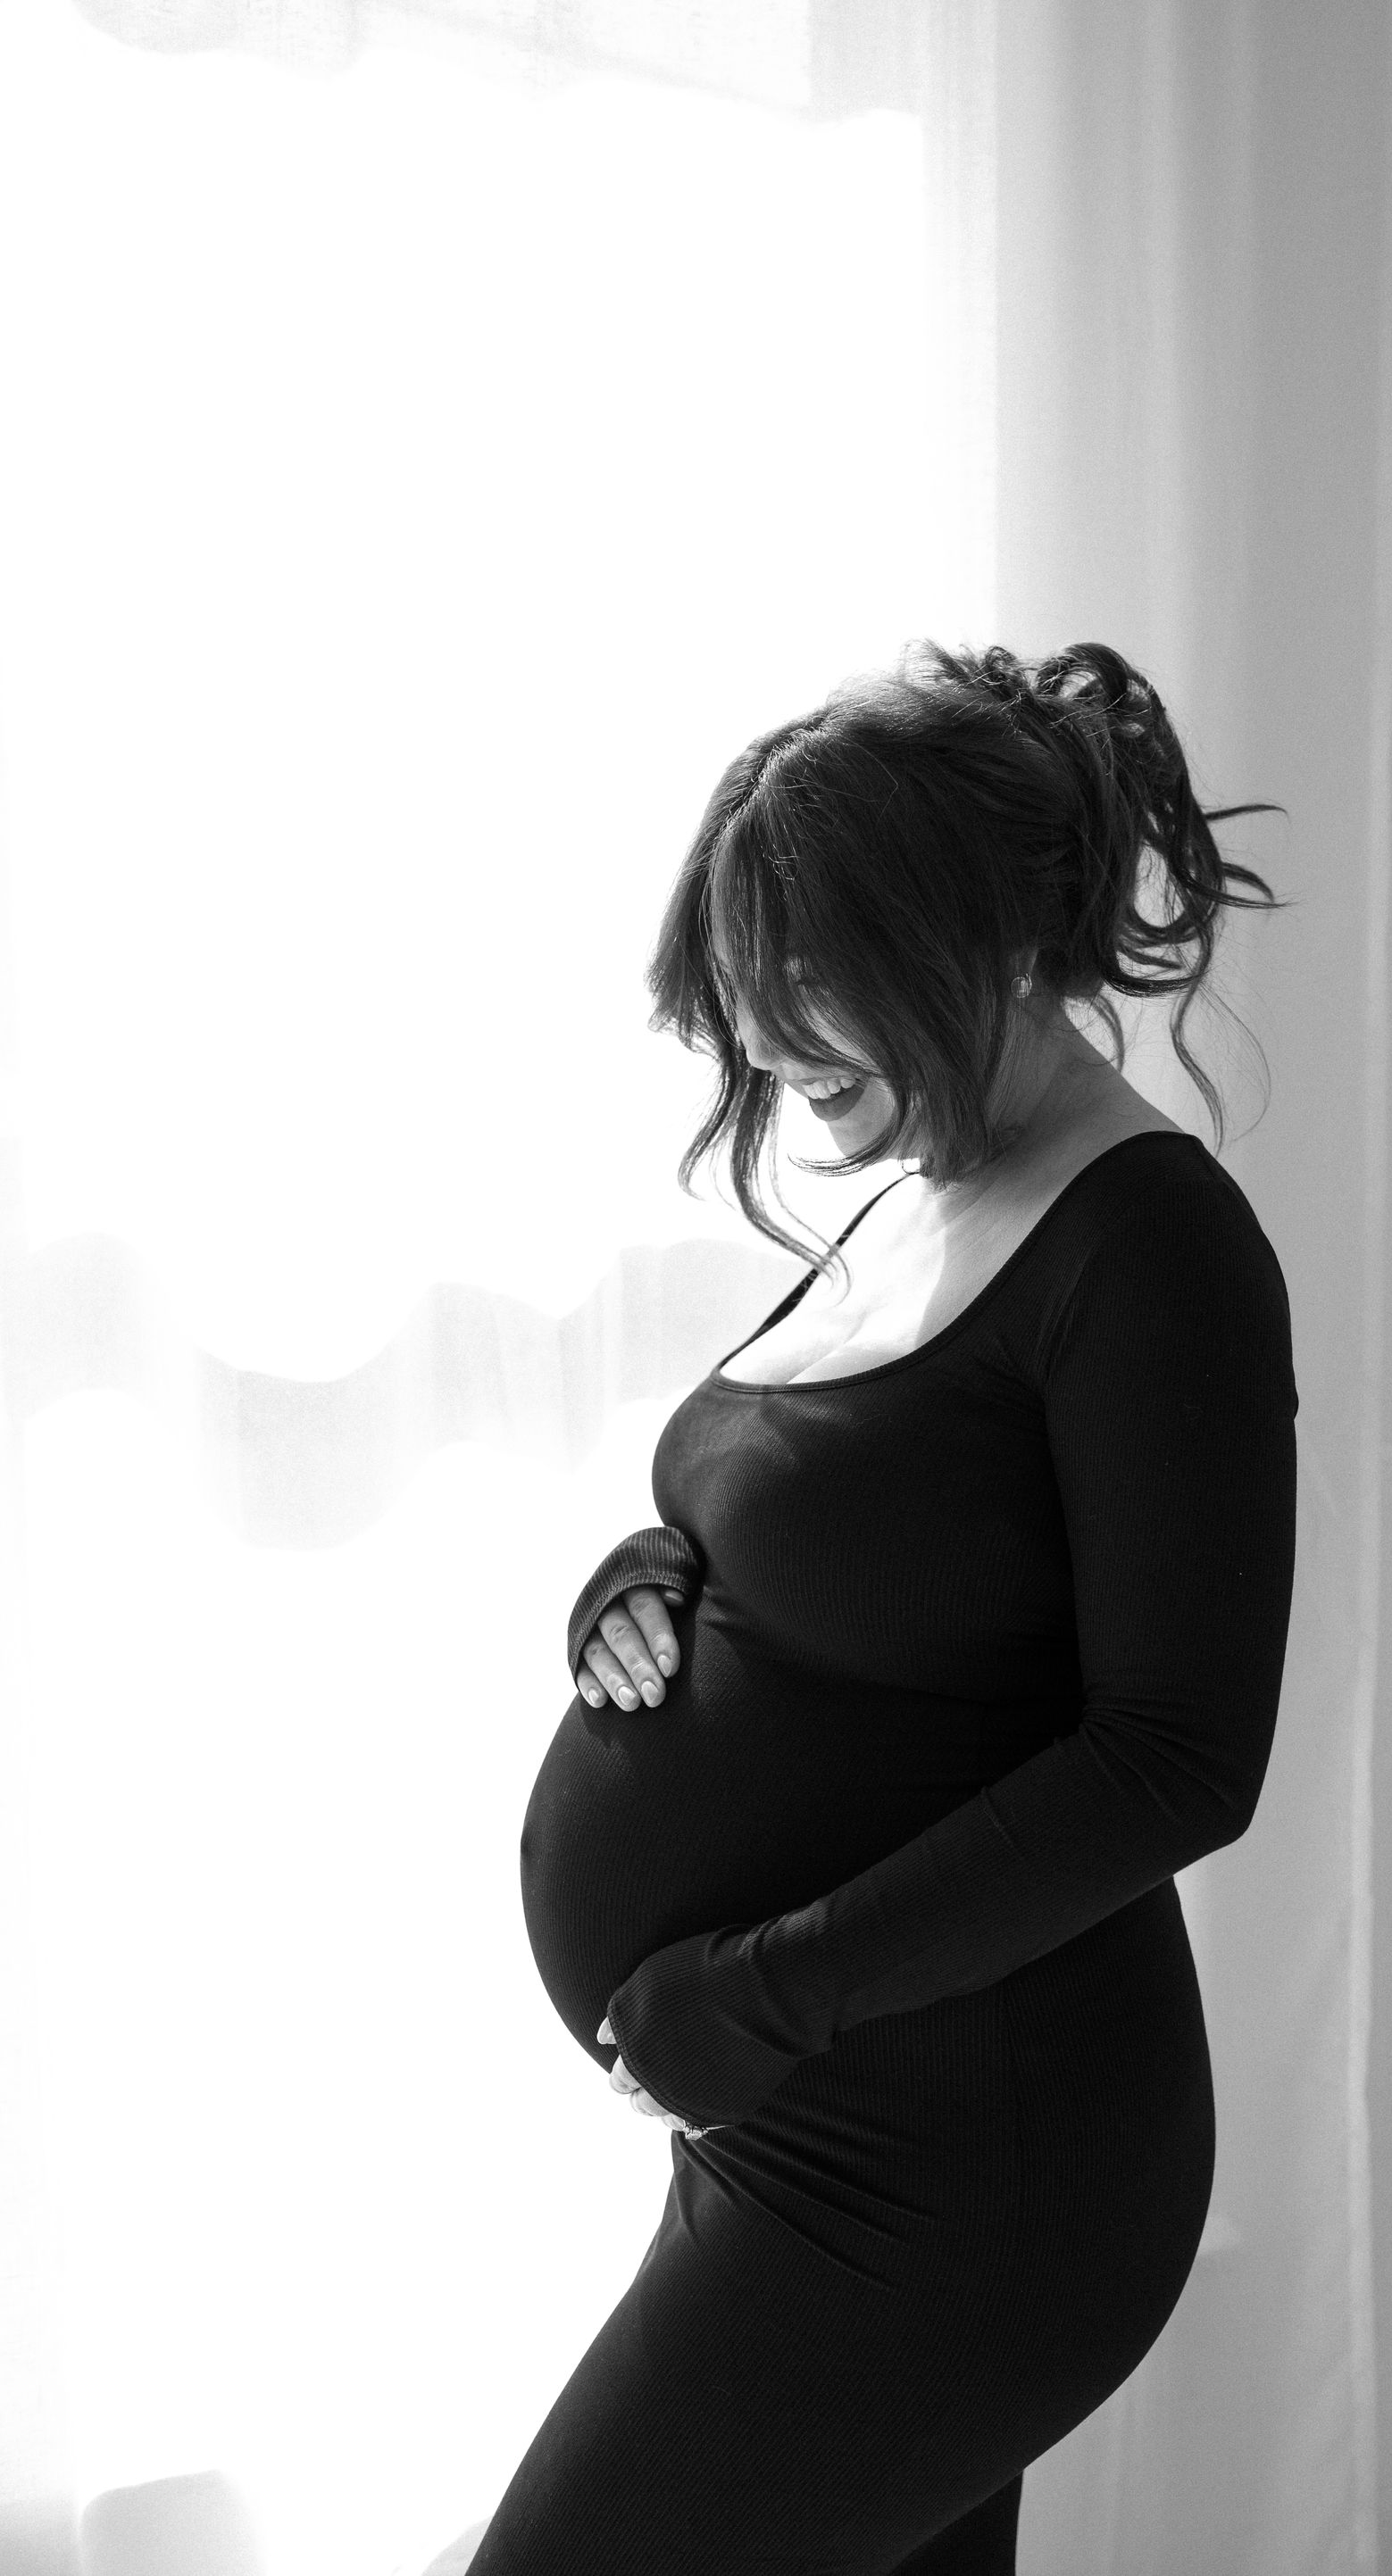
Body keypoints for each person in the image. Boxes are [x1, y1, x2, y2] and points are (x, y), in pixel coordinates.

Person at [469, 641, 1297, 2576]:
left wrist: (762, 1992)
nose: (763, 1057)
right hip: (818, 2132)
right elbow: (865, 1543)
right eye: (744, 1016)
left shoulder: (1153, 1245)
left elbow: (1181, 1756)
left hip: (969, 2179)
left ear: (980, 941)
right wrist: (648, 1575)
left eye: (799, 998)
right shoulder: (919, 1180)